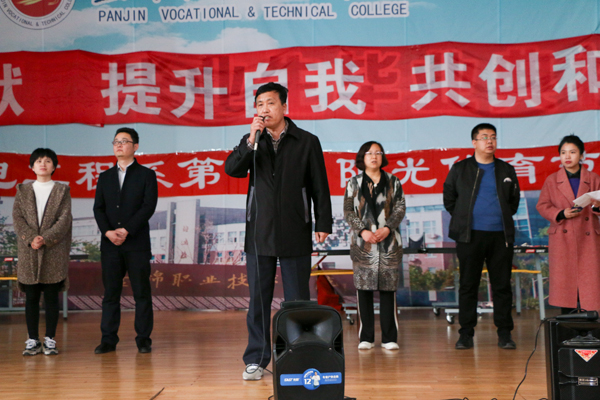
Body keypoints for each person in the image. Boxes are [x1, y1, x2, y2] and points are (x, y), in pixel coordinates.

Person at [225, 82, 333, 380]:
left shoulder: (306, 141)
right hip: (259, 232)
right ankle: (256, 359)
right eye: (259, 104)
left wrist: (323, 222)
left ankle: (297, 356)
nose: (264, 109)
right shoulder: (252, 140)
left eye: (270, 103)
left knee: (297, 299)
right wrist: (251, 140)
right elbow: (232, 169)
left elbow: (319, 184)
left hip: (295, 228)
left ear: (284, 106)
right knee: (258, 300)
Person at [443, 123, 520, 350]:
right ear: (474, 142)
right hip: (470, 236)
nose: (489, 141)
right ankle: (466, 334)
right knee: (468, 285)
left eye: (493, 137)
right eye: (484, 137)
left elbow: (513, 202)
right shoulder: (460, 169)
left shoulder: (506, 169)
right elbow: (449, 199)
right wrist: (464, 219)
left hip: (500, 236)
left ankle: (505, 334)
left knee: (502, 286)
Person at [93, 127, 158, 354]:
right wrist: (108, 232)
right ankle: (108, 340)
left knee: (141, 293)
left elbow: (148, 206)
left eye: (124, 141)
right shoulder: (105, 177)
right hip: (110, 244)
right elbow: (98, 208)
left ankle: (143, 339)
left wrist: (127, 230)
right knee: (111, 294)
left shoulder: (146, 175)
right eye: (116, 142)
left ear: (135, 146)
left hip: (136, 243)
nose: (119, 145)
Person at [343, 141, 405, 351]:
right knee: (363, 290)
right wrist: (363, 231)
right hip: (363, 246)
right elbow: (348, 211)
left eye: (378, 152)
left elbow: (400, 208)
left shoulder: (394, 181)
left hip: (389, 244)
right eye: (369, 153)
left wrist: (387, 228)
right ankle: (366, 337)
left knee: (388, 291)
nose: (374, 156)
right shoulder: (353, 183)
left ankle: (389, 338)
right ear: (362, 157)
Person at [13, 148, 72, 356]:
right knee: (31, 297)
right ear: (32, 166)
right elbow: (18, 218)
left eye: (47, 161)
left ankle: (50, 339)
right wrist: (32, 238)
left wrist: (45, 238)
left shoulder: (62, 190)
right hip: (29, 250)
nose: (43, 164)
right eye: (38, 161)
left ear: (54, 166)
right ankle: (32, 340)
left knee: (51, 297)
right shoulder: (23, 190)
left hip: (53, 250)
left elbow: (64, 219)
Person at [536, 135, 600, 314]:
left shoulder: (593, 178)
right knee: (567, 286)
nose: (567, 156)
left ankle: (590, 327)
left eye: (572, 152)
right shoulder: (552, 180)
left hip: (588, 237)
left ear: (582, 155)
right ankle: (568, 326)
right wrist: (561, 213)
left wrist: (597, 206)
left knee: (589, 286)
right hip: (563, 238)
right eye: (563, 152)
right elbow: (542, 205)